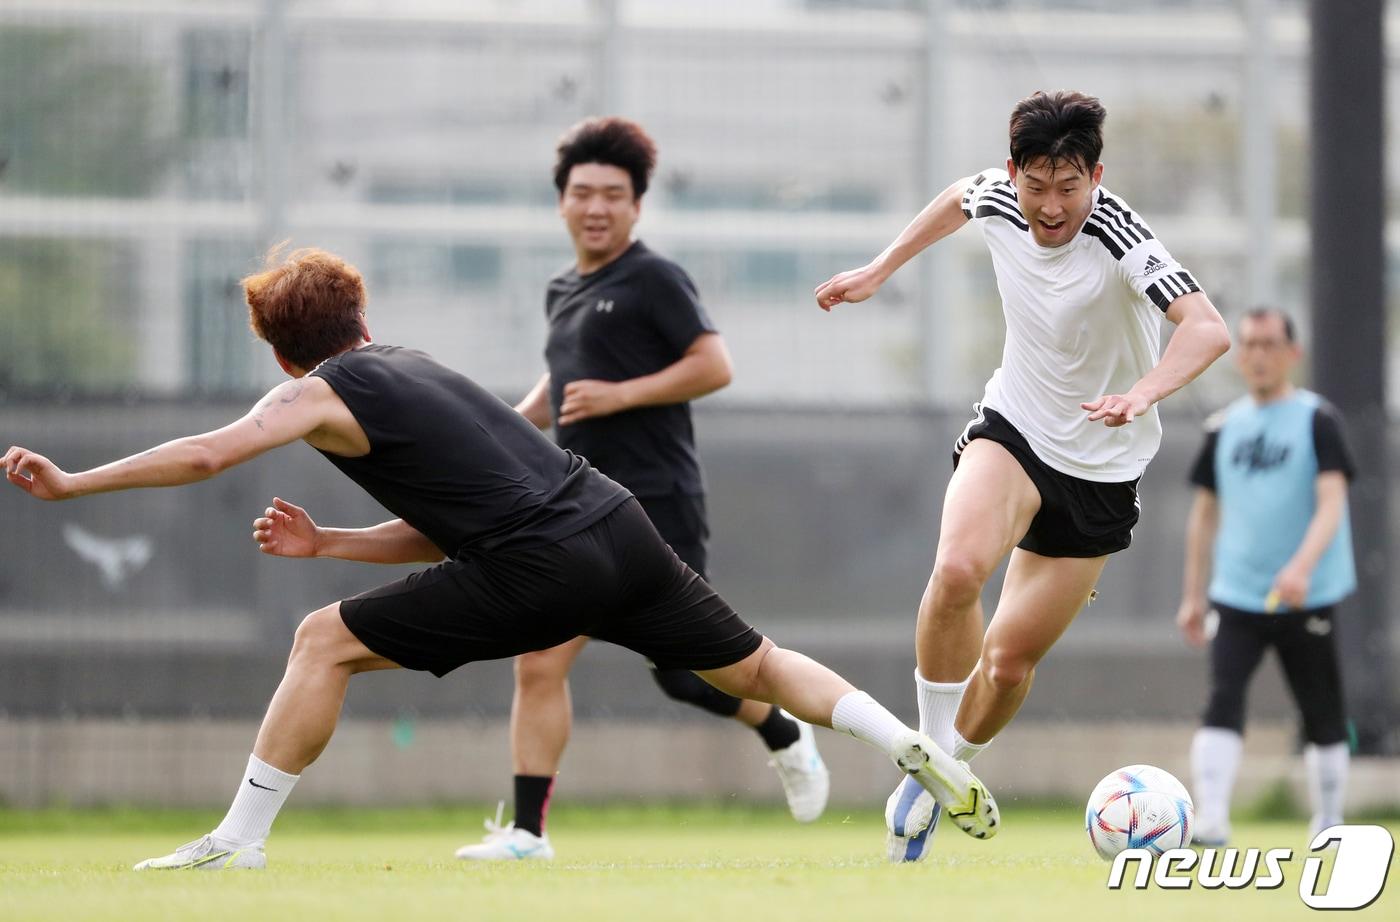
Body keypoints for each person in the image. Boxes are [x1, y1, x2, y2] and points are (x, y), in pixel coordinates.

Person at [2, 246, 997, 872]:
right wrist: (331, 542)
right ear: (363, 321)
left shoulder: (311, 395)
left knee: (320, 641)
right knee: (761, 665)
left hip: (540, 562)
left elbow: (206, 454)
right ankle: (912, 745)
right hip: (616, 524)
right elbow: (460, 523)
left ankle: (238, 842)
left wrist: (74, 483)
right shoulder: (417, 365)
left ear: (279, 355)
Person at [814, 90, 1230, 862]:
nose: (1050, 206)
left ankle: (939, 773)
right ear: (1014, 172)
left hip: (1101, 471)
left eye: (1069, 187)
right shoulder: (998, 196)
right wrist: (878, 269)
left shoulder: (1120, 235)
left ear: (1095, 177)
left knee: (1006, 666)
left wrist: (1142, 393)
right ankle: (929, 761)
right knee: (957, 570)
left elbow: (1207, 329)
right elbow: (956, 198)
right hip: (1015, 430)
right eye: (1036, 185)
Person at [448, 115, 827, 860]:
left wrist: (621, 395)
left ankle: (784, 730)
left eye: (613, 195)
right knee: (538, 660)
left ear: (637, 206)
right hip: (573, 509)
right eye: (583, 193)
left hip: (657, 503)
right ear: (562, 201)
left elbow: (714, 365)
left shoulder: (654, 278)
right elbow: (562, 386)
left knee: (687, 677)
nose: (596, 207)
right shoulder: (562, 288)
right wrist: (503, 433)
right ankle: (527, 834)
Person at [1176, 307, 1355, 845]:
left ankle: (1329, 820)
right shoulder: (1223, 426)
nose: (1258, 355)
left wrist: (1301, 567)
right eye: (1249, 344)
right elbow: (1204, 515)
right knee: (1222, 698)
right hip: (1237, 595)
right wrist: (1193, 596)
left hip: (1307, 594)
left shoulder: (1318, 420)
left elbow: (1332, 502)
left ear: (1292, 353)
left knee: (1322, 708)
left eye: (1269, 344)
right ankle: (1212, 818)